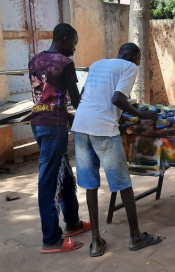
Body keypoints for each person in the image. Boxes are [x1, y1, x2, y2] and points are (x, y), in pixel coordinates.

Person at [71, 43, 162, 257]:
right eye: (139, 60)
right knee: (124, 184)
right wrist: (142, 116)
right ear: (133, 57)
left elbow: (86, 96)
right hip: (103, 130)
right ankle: (136, 237)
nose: (139, 64)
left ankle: (95, 242)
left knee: (90, 185)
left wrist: (119, 117)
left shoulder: (97, 64)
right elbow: (117, 98)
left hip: (81, 127)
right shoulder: (129, 67)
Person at [29, 23, 90, 254]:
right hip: (54, 128)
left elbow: (44, 96)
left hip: (38, 123)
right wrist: (88, 90)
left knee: (63, 174)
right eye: (73, 43)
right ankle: (51, 239)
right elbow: (76, 101)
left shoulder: (34, 60)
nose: (74, 49)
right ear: (64, 39)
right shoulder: (65, 63)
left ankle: (72, 222)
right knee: (49, 181)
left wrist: (68, 116)